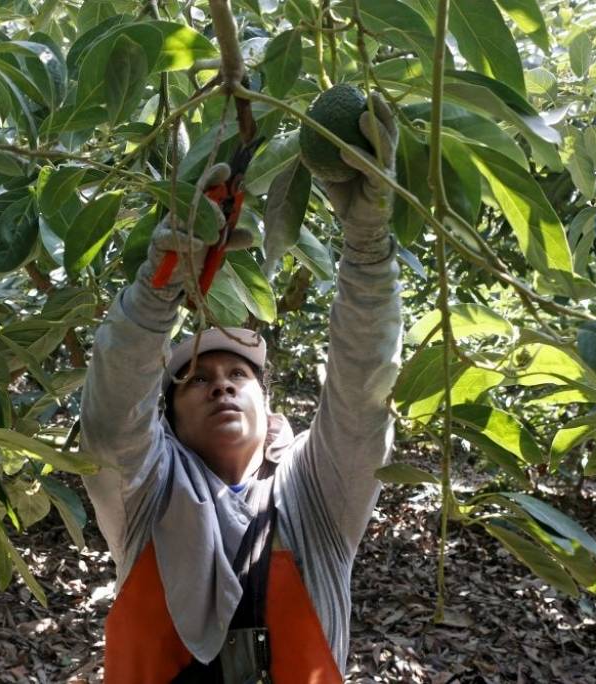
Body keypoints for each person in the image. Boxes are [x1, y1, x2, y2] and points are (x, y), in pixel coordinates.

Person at [79, 94, 403, 683]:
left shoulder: (317, 496)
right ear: (170, 421)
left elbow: (362, 388)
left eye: (239, 376)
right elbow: (110, 422)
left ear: (266, 401)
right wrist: (156, 295)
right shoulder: (148, 494)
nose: (220, 387)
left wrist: (367, 247)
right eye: (196, 380)